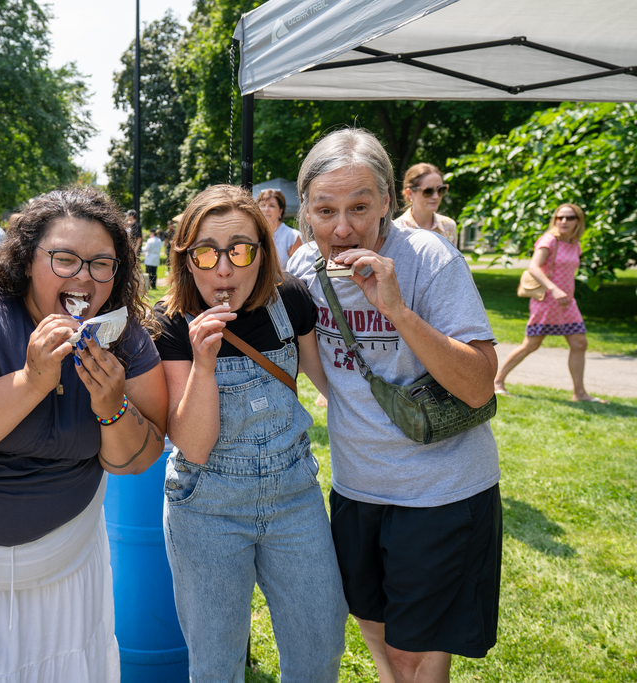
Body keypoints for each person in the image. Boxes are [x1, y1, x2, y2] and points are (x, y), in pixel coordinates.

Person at [0, 186, 168, 682]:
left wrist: (111, 407)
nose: (84, 276)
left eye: (101, 263)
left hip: (67, 582)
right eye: (64, 259)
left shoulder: (122, 336)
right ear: (25, 259)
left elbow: (138, 459)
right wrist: (31, 381)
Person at [287, 129, 501, 683]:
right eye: (325, 209)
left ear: (387, 201)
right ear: (305, 210)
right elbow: (320, 370)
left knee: (413, 652)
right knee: (373, 627)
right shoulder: (306, 269)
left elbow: (479, 384)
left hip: (440, 491)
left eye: (360, 207)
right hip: (358, 486)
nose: (343, 227)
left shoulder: (428, 258)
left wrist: (398, 311)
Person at [155, 184, 346, 682]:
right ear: (187, 259)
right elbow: (192, 445)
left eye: (240, 250)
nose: (224, 269)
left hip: (294, 496)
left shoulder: (292, 302)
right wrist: (202, 360)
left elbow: (327, 384)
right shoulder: (172, 323)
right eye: (206, 252)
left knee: (320, 646)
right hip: (207, 506)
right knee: (216, 666)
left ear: (262, 252)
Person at [493, 203, 605, 403]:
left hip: (567, 303)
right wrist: (553, 288)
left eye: (569, 218)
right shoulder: (549, 240)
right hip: (546, 301)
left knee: (580, 343)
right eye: (559, 217)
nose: (563, 221)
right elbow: (534, 267)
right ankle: (497, 381)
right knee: (531, 344)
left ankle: (579, 393)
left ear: (578, 221)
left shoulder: (574, 243)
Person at [393, 163, 457, 244]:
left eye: (441, 189)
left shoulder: (449, 226)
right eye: (428, 191)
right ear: (410, 193)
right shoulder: (396, 229)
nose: (436, 196)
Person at [257, 188, 301, 266]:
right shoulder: (255, 234)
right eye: (263, 205)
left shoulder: (292, 236)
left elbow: (298, 270)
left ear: (280, 211)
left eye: (272, 206)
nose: (266, 209)